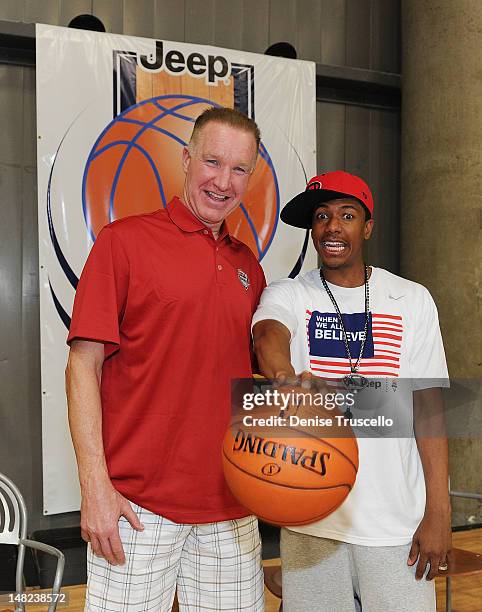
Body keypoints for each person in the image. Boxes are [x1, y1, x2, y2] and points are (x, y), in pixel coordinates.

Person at [66, 107, 266, 611]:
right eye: (212, 162)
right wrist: (95, 488)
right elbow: (82, 367)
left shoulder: (249, 267)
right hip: (135, 508)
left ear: (253, 175)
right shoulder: (123, 242)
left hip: (232, 509)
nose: (223, 181)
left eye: (239, 168)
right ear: (186, 158)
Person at [252, 170, 451, 612]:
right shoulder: (289, 293)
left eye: (347, 214)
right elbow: (267, 335)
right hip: (311, 522)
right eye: (322, 217)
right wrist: (285, 376)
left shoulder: (411, 299)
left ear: (367, 226)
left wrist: (439, 511)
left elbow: (430, 408)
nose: (333, 226)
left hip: (395, 522)